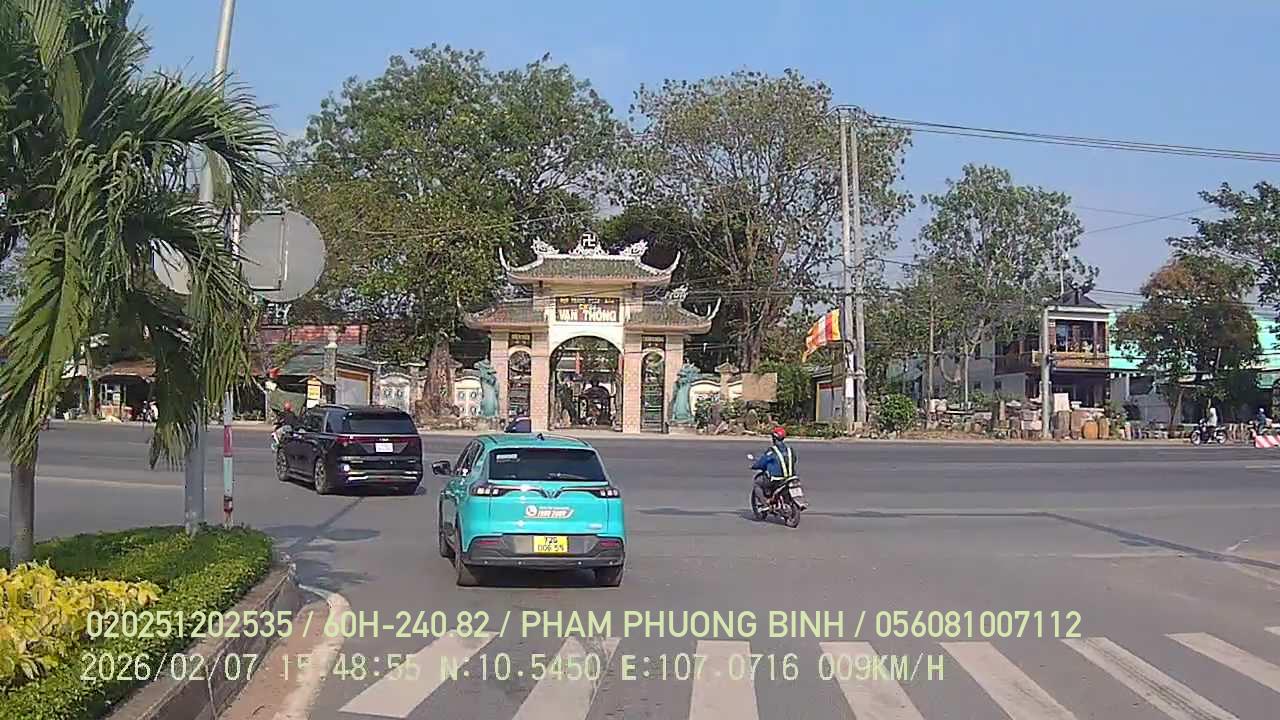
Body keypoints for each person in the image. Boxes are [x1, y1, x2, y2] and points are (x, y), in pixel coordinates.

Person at [752, 426, 796, 507]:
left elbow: (762, 463)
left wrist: (754, 466)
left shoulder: (772, 451)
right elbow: (794, 460)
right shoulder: (790, 450)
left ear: (774, 438)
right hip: (790, 478)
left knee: (757, 484)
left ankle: (765, 504)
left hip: (776, 479)